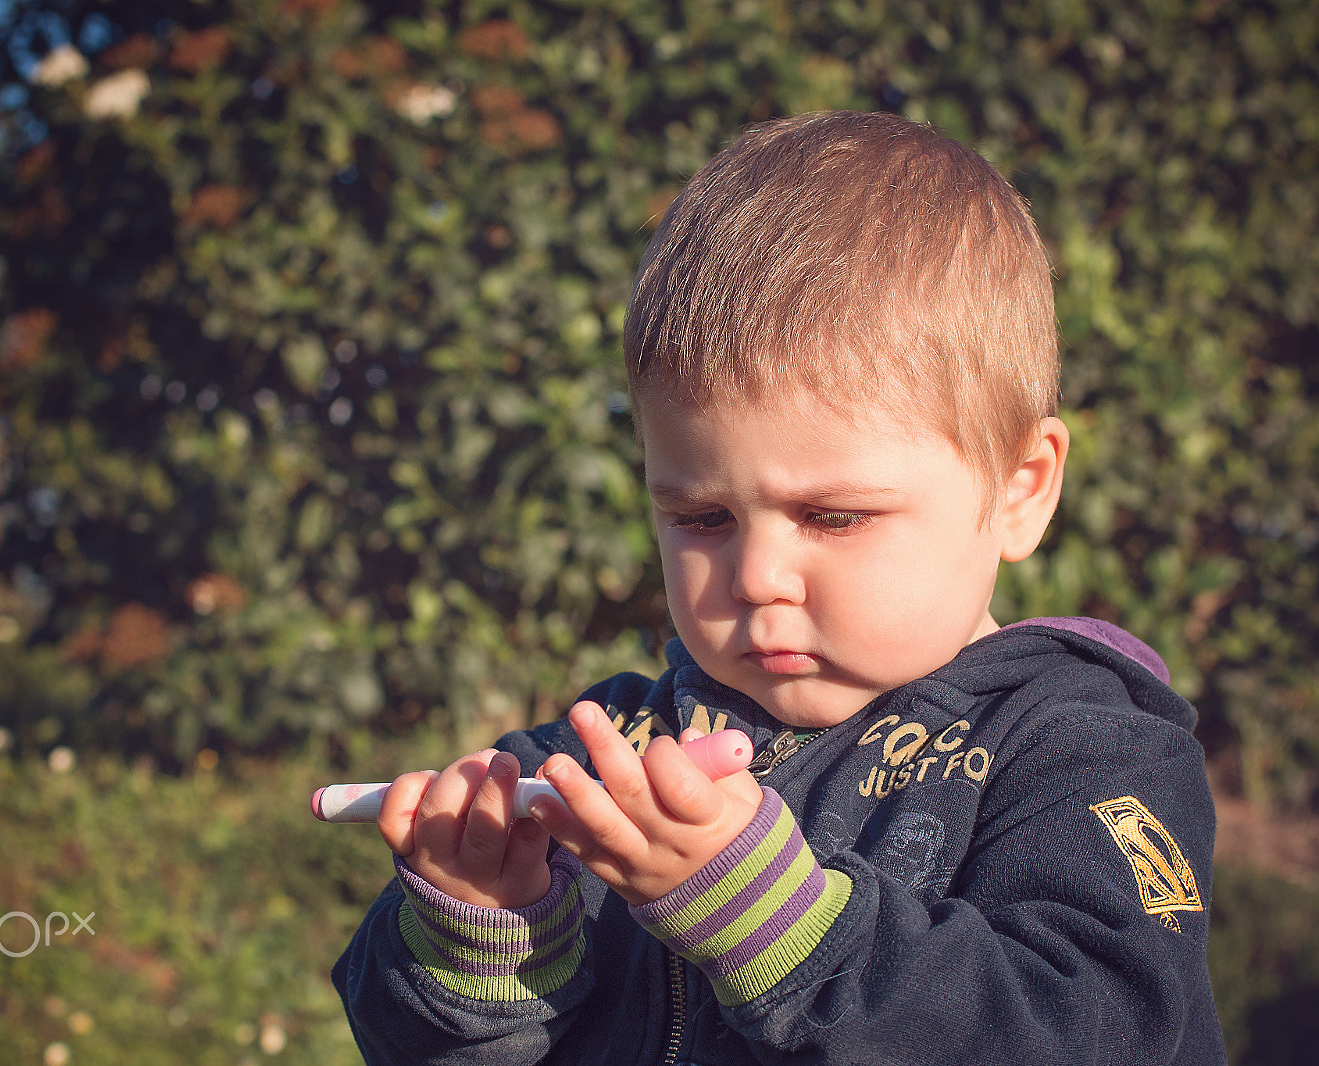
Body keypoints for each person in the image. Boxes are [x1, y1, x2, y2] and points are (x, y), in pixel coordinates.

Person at [333, 109, 1227, 1065]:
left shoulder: (1080, 755)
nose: (756, 577)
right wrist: (481, 933)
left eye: (835, 517)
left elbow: (1101, 1030)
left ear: (1021, 487)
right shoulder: (611, 755)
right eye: (703, 519)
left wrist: (771, 921)